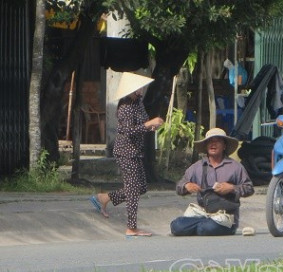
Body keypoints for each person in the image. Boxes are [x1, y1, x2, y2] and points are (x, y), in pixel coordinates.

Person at [89, 72, 164, 237]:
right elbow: (128, 131)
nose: (142, 90)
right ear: (132, 89)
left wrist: (150, 126)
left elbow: (141, 123)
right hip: (126, 151)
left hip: (136, 151)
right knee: (132, 189)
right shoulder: (125, 106)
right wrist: (148, 124)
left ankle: (104, 198)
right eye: (139, 87)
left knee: (141, 187)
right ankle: (131, 227)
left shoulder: (138, 103)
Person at [170, 128, 254, 236]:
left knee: (205, 228)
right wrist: (187, 186)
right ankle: (200, 225)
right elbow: (179, 187)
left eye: (217, 141)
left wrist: (232, 188)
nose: (213, 144)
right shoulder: (197, 167)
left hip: (225, 217)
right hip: (202, 214)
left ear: (224, 146)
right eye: (210, 141)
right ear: (206, 146)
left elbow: (249, 188)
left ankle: (201, 226)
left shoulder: (235, 167)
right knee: (177, 226)